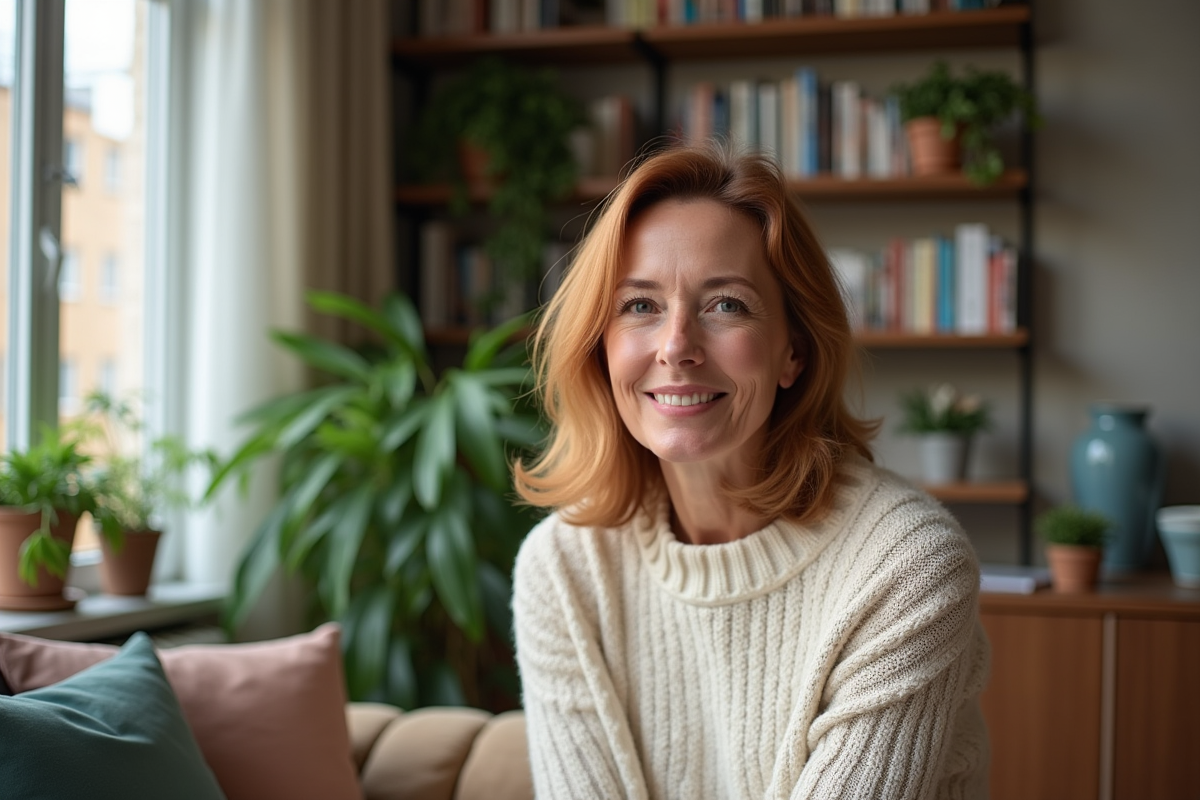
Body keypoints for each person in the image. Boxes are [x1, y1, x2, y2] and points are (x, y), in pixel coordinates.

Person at [511, 142, 989, 799]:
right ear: (601, 345)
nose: (676, 346)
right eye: (640, 306)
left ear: (792, 351)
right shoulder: (564, 569)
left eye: (726, 305)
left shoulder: (905, 566)